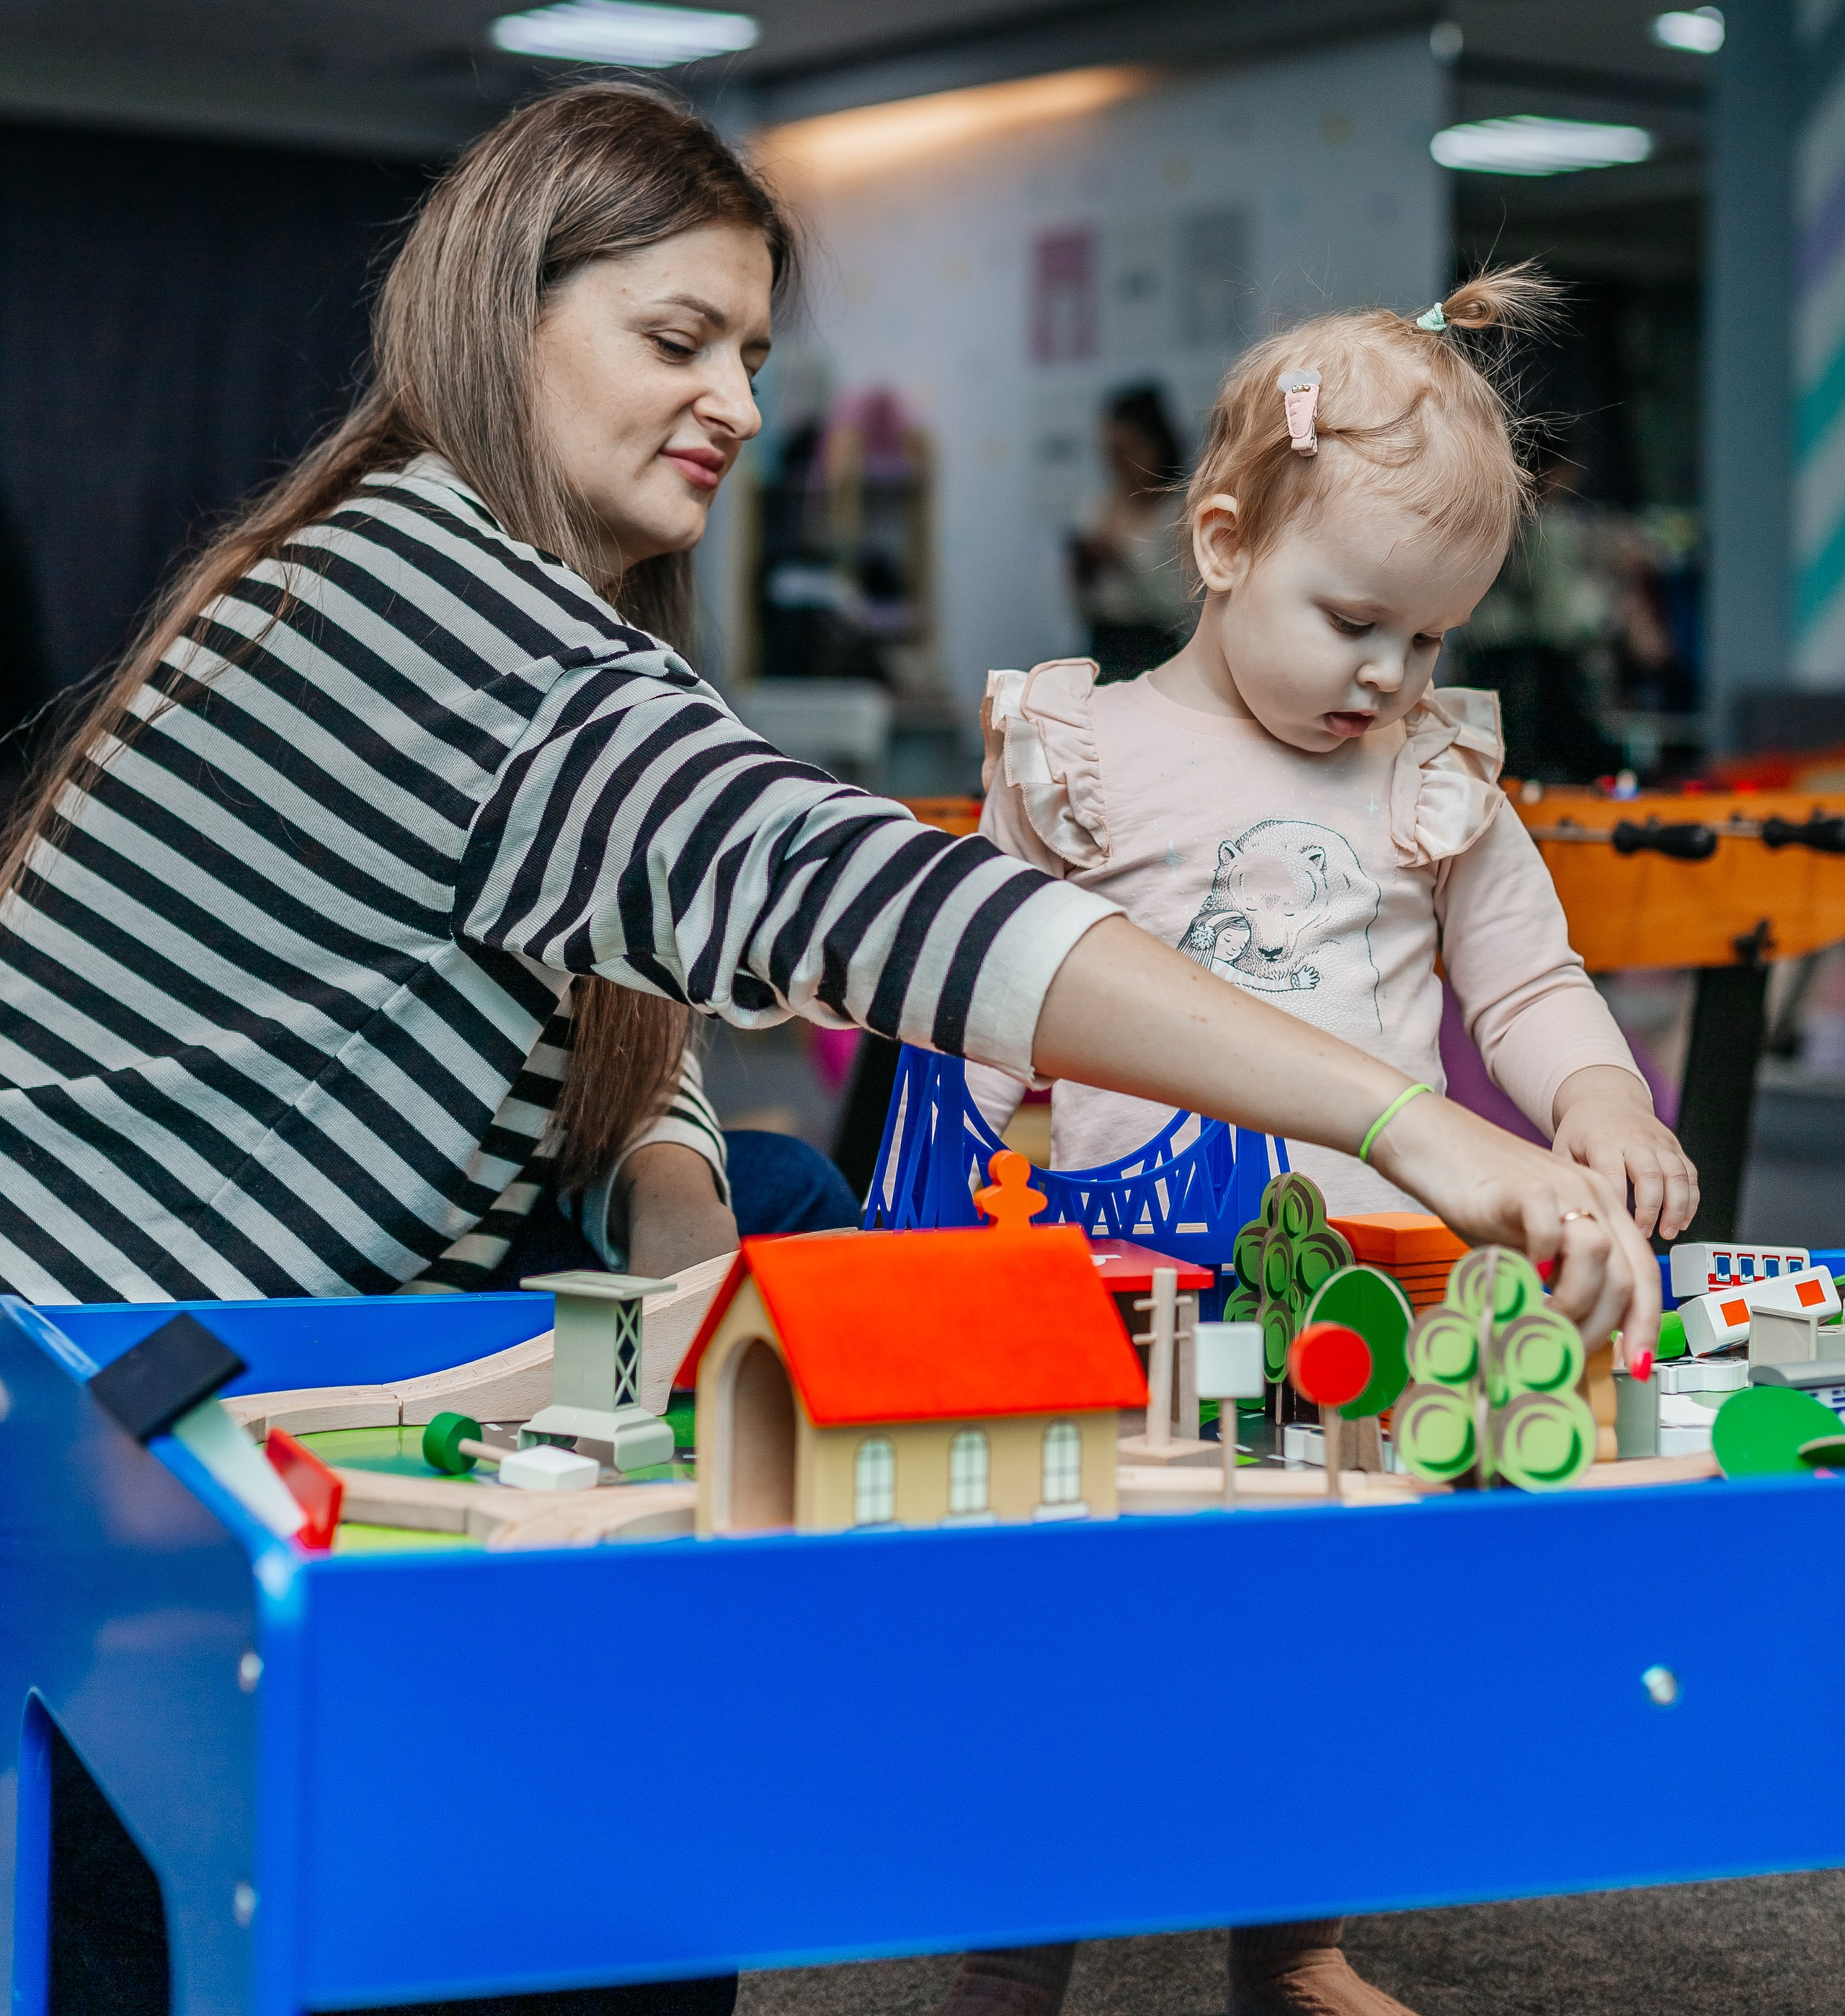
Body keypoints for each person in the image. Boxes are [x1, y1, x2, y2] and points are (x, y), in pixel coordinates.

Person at [0, 97, 1663, 2008]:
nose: (734, 402)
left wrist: (673, 1180)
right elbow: (862, 900)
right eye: (672, 338)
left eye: (753, 357)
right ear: (499, 313)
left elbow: (616, 969)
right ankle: (576, 1847)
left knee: (781, 1204)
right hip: (108, 1419)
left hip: (184, 1315)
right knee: (623, 1870)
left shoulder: (430, 575)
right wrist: (1405, 1117)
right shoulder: (460, 627)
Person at [955, 269, 1698, 2016]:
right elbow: (973, 995)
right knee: (1066, 1633)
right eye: (1355, 617)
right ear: (1219, 539)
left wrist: (1597, 1098)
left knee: (1318, 1628)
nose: (1389, 675)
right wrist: (955, 1213)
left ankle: (1290, 1935)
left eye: (1431, 638)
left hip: (1352, 1297)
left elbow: (1524, 980)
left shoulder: (1429, 775)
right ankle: (1009, 1950)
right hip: (1105, 1286)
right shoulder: (1082, 750)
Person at [1067, 383, 1192, 681]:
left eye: (1128, 450)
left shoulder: (1179, 513)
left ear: (1157, 444)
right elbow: (1082, 605)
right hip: (1101, 645)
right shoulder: (1095, 508)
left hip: (1157, 651)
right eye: (1111, 453)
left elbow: (1178, 610)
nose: (1118, 465)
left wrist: (1119, 562)